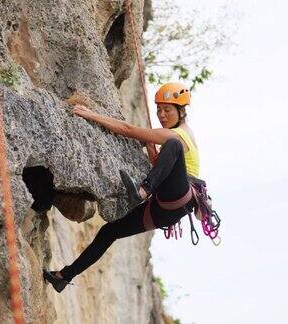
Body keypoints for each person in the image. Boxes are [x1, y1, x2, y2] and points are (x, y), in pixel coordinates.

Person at [43, 82, 199, 293]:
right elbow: (164, 169)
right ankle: (64, 276)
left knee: (172, 145)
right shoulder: (174, 134)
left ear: (181, 112)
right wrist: (152, 148)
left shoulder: (177, 136)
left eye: (168, 110)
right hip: (165, 209)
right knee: (110, 231)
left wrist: (92, 115)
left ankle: (142, 192)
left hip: (177, 196)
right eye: (159, 109)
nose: (162, 115)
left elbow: (128, 130)